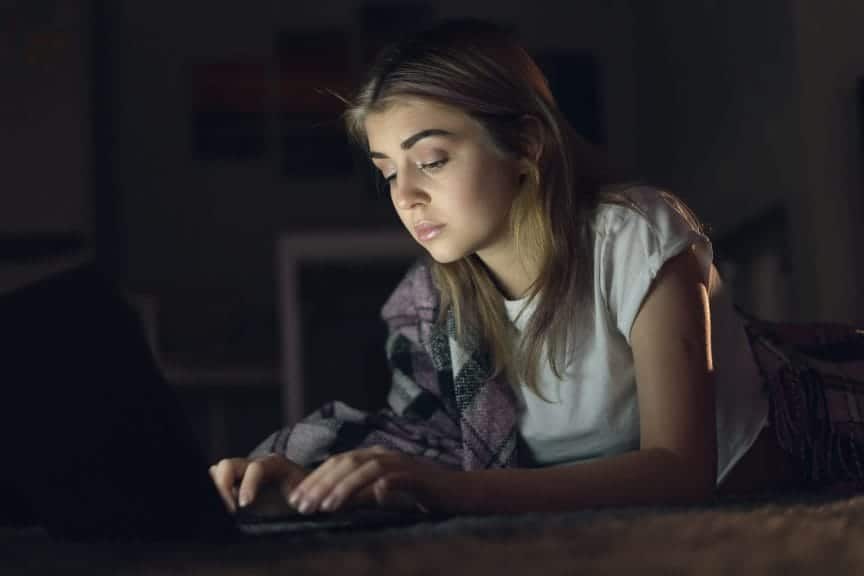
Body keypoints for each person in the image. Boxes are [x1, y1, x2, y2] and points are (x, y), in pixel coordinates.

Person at [210, 19, 864, 516]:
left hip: (821, 410)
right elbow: (420, 443)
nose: (404, 196)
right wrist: (301, 475)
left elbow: (679, 472)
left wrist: (457, 493)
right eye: (387, 172)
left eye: (431, 159)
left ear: (525, 143)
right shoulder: (430, 302)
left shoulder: (632, 232)